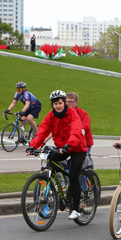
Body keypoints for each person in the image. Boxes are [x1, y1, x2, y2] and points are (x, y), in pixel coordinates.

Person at [28, 89, 87, 221]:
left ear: (64, 103)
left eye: (60, 103)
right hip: (62, 148)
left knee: (73, 175)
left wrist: (69, 144)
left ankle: (76, 209)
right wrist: (33, 145)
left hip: (77, 147)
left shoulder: (72, 113)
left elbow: (76, 130)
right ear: (52, 105)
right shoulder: (51, 116)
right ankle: (56, 186)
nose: (58, 106)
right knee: (50, 158)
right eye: (55, 104)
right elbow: (42, 131)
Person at [65, 92, 94, 168]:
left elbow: (83, 130)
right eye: (66, 101)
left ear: (76, 103)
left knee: (79, 167)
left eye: (70, 102)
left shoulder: (83, 114)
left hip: (83, 144)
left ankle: (82, 179)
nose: (68, 104)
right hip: (70, 143)